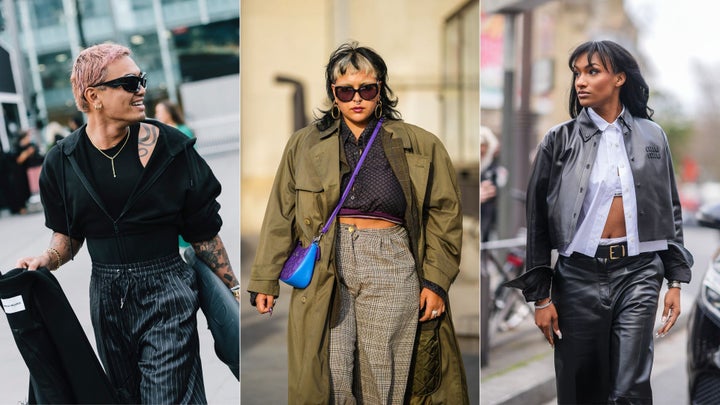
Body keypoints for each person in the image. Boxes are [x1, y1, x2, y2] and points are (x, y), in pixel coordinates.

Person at [15, 43, 240, 404]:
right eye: (129, 82)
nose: (141, 89)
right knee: (127, 397)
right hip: (107, 297)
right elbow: (68, 236)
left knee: (165, 395)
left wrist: (234, 292)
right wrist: (48, 259)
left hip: (167, 289)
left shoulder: (171, 147)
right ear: (94, 96)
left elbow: (204, 234)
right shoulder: (63, 162)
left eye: (142, 79)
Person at [247, 41, 469, 404]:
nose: (356, 98)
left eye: (366, 88)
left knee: (384, 378)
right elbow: (281, 213)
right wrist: (264, 280)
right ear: (333, 95)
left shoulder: (421, 143)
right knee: (328, 375)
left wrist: (436, 281)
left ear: (380, 89)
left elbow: (445, 215)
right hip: (325, 266)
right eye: (345, 90)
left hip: (391, 260)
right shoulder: (303, 144)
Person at [506, 40, 694, 404]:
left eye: (592, 71)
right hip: (577, 276)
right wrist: (540, 299)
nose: (581, 81)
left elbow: (669, 208)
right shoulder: (557, 141)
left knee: (629, 389)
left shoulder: (653, 136)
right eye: (577, 73)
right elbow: (537, 223)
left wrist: (675, 280)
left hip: (639, 272)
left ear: (620, 78)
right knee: (581, 389)